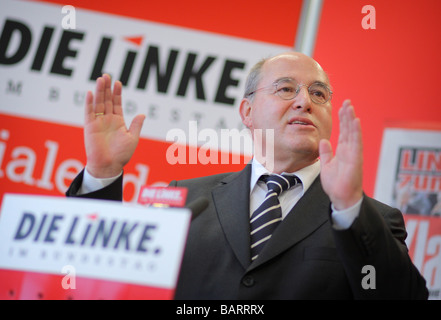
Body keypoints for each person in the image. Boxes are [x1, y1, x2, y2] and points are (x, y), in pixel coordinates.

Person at [66, 52, 428, 299]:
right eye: (286, 88)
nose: (305, 101)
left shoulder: (372, 220)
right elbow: (97, 278)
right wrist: (102, 174)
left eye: (318, 93)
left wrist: (348, 206)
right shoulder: (185, 199)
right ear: (248, 111)